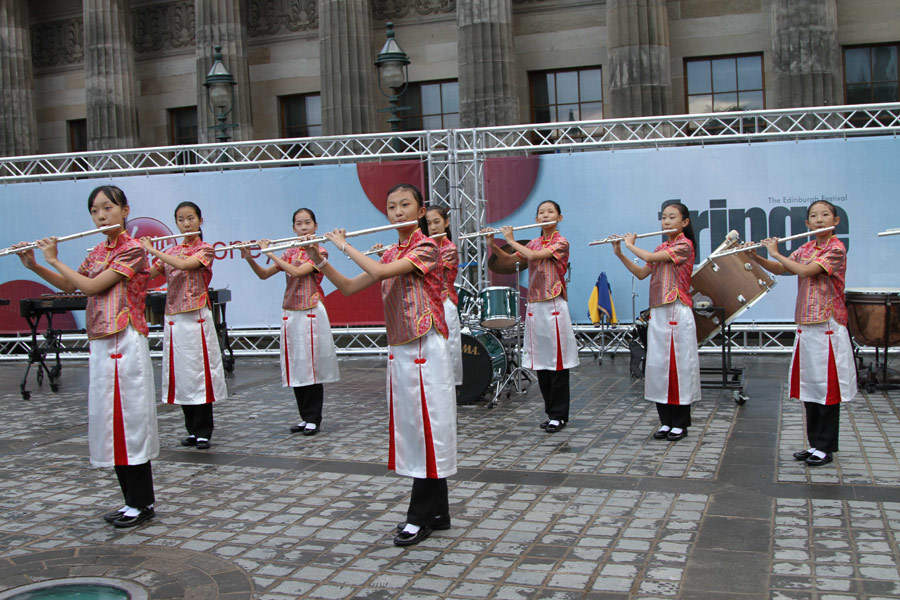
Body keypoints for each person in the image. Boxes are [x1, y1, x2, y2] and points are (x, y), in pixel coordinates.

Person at [306, 183, 456, 547]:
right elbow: (348, 287)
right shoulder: (390, 252)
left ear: (421, 211)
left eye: (405, 205)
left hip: (424, 346)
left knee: (427, 428)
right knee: (416, 428)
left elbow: (380, 272)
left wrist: (344, 246)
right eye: (392, 206)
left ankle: (419, 517)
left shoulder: (427, 247)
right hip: (402, 349)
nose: (398, 211)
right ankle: (439, 512)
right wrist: (320, 260)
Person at [15, 185, 158, 527]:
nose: (101, 216)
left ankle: (142, 503)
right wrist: (35, 265)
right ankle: (130, 501)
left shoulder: (134, 249)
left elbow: (93, 287)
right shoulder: (96, 252)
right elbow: (70, 286)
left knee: (129, 421)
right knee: (110, 421)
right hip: (102, 342)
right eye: (95, 211)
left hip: (125, 341)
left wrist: (54, 258)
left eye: (108, 208)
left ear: (125, 210)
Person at [748, 200, 855, 466]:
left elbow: (806, 271)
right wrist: (756, 257)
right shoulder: (806, 247)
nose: (819, 220)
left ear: (836, 221)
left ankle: (825, 447)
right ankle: (814, 443)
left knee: (827, 388)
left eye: (825, 215)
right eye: (814, 216)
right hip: (807, 323)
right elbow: (783, 269)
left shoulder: (836, 248)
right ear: (807, 223)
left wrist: (775, 252)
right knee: (811, 386)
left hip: (828, 324)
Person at [240, 208, 339, 436]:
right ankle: (304, 417)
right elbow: (264, 274)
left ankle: (313, 418)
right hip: (291, 312)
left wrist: (270, 252)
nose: (303, 228)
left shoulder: (319, 250)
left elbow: (297, 272)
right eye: (299, 224)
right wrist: (249, 258)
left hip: (311, 310)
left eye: (307, 223)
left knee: (311, 366)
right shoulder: (289, 251)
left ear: (315, 226)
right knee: (296, 365)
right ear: (293, 228)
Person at [487, 200, 579, 433]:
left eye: (550, 212)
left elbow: (536, 256)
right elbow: (510, 260)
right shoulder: (534, 243)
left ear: (559, 217)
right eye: (541, 213)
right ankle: (551, 413)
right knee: (541, 362)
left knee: (557, 363)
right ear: (536, 219)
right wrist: (493, 244)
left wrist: (510, 240)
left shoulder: (560, 242)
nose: (545, 215)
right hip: (535, 306)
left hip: (554, 305)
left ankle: (559, 414)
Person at [141, 202, 227, 450]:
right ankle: (191, 429)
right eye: (181, 220)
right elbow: (148, 274)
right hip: (174, 319)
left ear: (200, 220)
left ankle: (203, 431)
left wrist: (153, 250)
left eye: (190, 218)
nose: (186, 224)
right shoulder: (171, 250)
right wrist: (138, 253)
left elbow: (185, 265)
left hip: (196, 318)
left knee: (199, 374)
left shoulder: (205, 249)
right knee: (182, 376)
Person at [612, 202, 701, 441]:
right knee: (659, 366)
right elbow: (642, 273)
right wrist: (620, 253)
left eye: (672, 217)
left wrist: (631, 245)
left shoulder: (684, 245)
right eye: (664, 218)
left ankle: (680, 423)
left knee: (678, 367)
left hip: (677, 310)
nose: (666, 221)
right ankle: (665, 421)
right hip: (659, 313)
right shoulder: (662, 246)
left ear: (685, 222)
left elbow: (650, 257)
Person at [425, 205, 463, 386]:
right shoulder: (425, 246)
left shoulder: (450, 248)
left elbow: (430, 268)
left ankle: (452, 387)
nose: (433, 227)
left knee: (449, 346)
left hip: (445, 302)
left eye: (437, 222)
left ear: (446, 223)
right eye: (429, 223)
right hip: (428, 303)